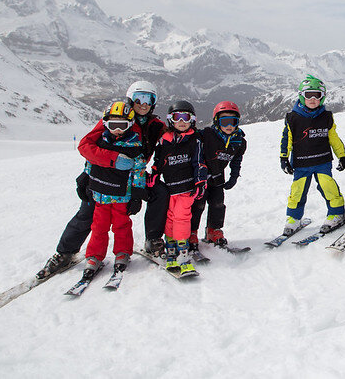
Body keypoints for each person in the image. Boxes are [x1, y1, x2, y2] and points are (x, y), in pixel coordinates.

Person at [36, 80, 163, 279]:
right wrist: (99, 168)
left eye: (149, 99)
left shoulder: (156, 125)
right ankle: (65, 252)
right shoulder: (116, 117)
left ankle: (153, 240)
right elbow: (86, 146)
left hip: (134, 174)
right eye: (139, 98)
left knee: (160, 193)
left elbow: (179, 135)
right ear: (131, 99)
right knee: (88, 211)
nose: (143, 103)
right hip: (104, 174)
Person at [82, 100, 148, 278]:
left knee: (122, 225)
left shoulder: (134, 148)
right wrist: (86, 180)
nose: (117, 130)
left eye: (122, 125)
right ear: (105, 124)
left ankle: (122, 252)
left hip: (122, 196)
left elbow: (139, 172)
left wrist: (136, 195)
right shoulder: (100, 142)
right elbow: (91, 162)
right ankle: (95, 255)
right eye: (113, 125)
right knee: (98, 227)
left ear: (131, 124)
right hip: (100, 196)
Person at [279, 75, 345, 236]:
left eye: (316, 95)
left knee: (329, 187)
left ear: (322, 97)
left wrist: (341, 155)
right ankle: (293, 218)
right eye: (308, 95)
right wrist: (284, 158)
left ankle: (336, 213)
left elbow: (334, 138)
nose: (312, 99)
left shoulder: (326, 117)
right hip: (301, 163)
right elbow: (286, 139)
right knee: (297, 191)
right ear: (301, 96)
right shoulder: (293, 118)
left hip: (322, 161)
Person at [149, 100, 207, 275]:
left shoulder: (194, 140)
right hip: (169, 188)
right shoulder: (164, 141)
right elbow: (159, 161)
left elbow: (199, 163)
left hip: (186, 188)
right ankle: (171, 247)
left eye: (186, 117)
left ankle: (183, 252)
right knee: (170, 217)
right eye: (177, 117)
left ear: (192, 120)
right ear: (170, 120)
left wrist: (200, 182)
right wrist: (154, 173)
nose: (182, 121)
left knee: (182, 218)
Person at [190, 101, 246, 249]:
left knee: (218, 204)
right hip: (199, 177)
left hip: (217, 178)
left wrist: (234, 176)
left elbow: (236, 160)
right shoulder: (206, 135)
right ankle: (191, 232)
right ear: (217, 121)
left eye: (233, 121)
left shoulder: (238, 141)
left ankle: (213, 231)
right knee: (198, 205)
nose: (229, 125)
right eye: (225, 121)